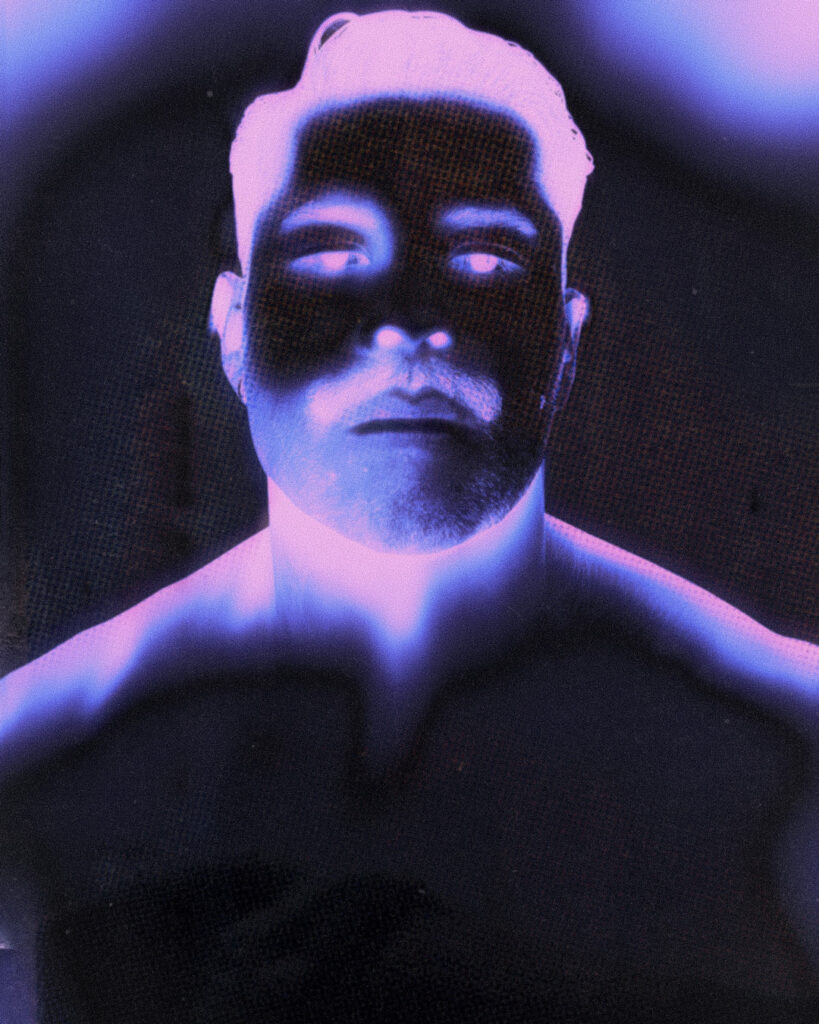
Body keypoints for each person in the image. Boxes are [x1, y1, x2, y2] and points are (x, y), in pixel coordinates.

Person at [0, 10, 817, 1022]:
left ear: (564, 342)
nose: (406, 325)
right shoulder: (35, 765)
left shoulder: (790, 748)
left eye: (483, 259)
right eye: (329, 255)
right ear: (234, 332)